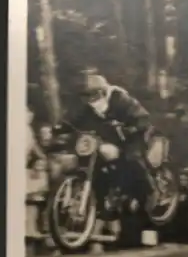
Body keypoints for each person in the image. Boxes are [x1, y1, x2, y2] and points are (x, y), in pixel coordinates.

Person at [59, 72, 160, 218]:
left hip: (133, 134)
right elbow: (75, 119)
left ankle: (151, 191)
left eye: (94, 94)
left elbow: (141, 116)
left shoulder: (120, 98)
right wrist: (60, 127)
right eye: (87, 95)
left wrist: (131, 127)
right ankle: (102, 200)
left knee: (132, 157)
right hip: (110, 138)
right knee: (94, 161)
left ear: (103, 92)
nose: (90, 99)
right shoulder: (89, 107)